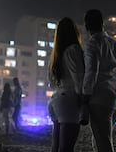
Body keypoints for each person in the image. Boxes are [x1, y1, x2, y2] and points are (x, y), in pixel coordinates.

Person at [82, 9, 116, 152]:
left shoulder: (92, 44)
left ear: (87, 26)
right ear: (102, 24)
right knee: (101, 139)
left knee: (103, 143)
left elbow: (91, 72)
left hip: (99, 99)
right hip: (115, 99)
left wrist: (85, 96)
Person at [48, 17, 85, 152]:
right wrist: (83, 99)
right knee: (67, 148)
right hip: (69, 100)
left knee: (56, 147)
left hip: (57, 99)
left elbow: (51, 81)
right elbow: (79, 78)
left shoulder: (57, 54)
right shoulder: (74, 50)